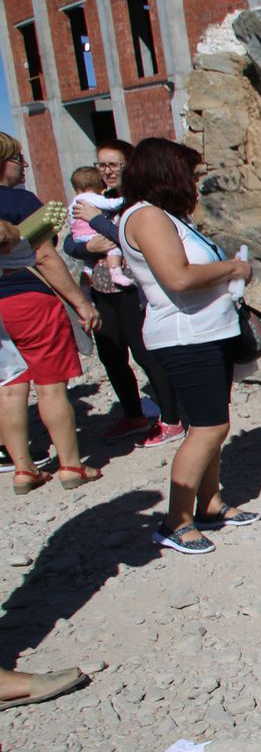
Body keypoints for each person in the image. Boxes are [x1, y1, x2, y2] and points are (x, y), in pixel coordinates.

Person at [119, 139, 259, 555]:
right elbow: (178, 278)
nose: (195, 183)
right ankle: (176, 520)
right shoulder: (146, 216)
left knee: (215, 423)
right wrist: (234, 267)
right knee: (208, 426)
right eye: (189, 174)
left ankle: (210, 503)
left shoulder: (166, 217)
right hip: (185, 337)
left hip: (206, 333)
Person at [65, 140, 186, 447]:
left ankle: (171, 418)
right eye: (101, 165)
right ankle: (133, 414)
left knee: (145, 353)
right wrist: (85, 246)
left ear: (129, 166)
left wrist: (97, 222)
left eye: (113, 165)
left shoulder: (139, 203)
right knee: (111, 353)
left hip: (135, 289)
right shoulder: (95, 200)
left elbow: (123, 236)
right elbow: (70, 242)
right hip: (103, 288)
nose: (106, 171)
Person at [0, 133, 102, 494]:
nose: (23, 166)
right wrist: (81, 302)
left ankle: (24, 471)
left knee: (10, 389)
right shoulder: (20, 201)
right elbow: (45, 257)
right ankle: (71, 467)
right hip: (26, 300)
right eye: (17, 160)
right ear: (4, 163)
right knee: (50, 386)